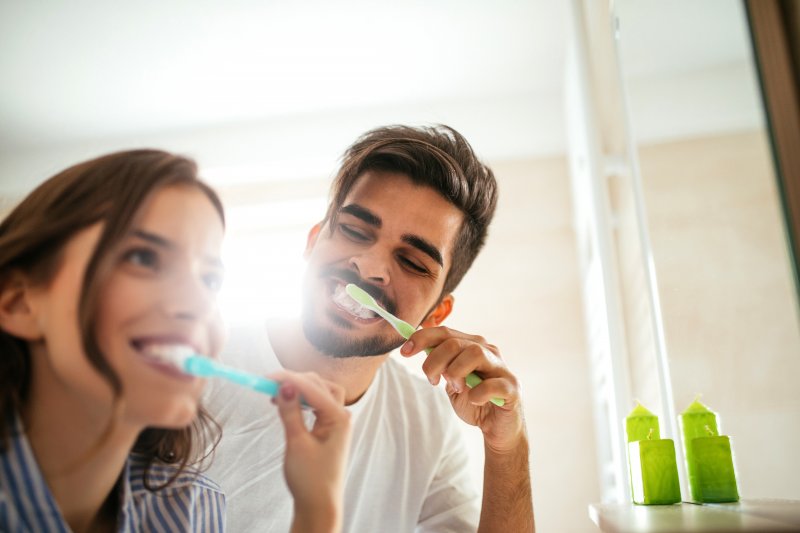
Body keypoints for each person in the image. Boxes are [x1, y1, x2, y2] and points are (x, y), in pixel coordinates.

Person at [0, 149, 352, 533]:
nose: (199, 302)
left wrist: (318, 509)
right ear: (19, 302)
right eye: (143, 258)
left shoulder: (190, 509)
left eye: (210, 280)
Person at [206, 125, 535, 532]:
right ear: (313, 241)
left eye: (413, 262)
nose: (369, 267)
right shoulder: (197, 363)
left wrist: (508, 448)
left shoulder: (426, 425)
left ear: (436, 314)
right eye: (355, 231)